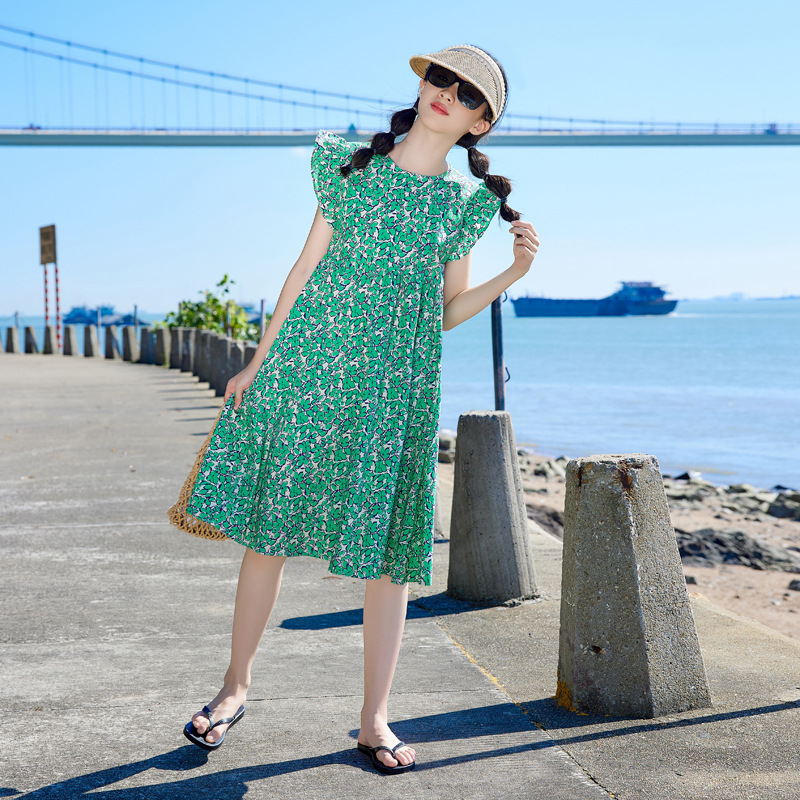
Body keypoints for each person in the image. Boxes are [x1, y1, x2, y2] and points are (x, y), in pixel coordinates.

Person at [179, 43, 539, 773]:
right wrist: (258, 359)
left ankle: (375, 720)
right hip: (311, 366)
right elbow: (304, 267)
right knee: (269, 531)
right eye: (442, 77)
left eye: (468, 94)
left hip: (396, 387)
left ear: (479, 124)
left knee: (389, 556)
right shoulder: (354, 166)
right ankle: (232, 687)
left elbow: (443, 312)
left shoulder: (459, 208)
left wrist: (515, 271)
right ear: (424, 84)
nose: (448, 93)